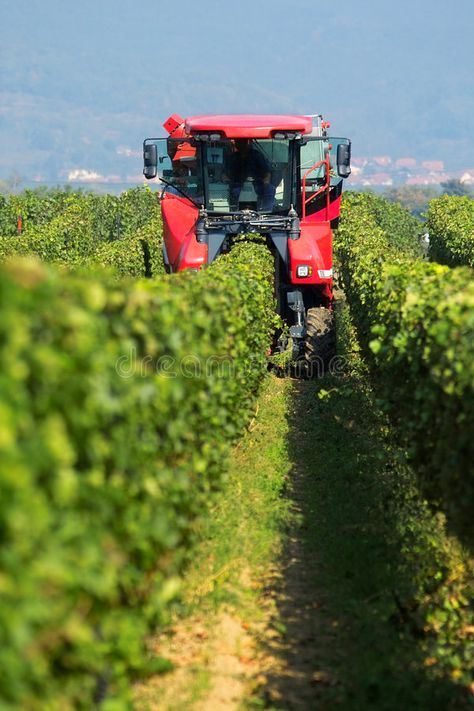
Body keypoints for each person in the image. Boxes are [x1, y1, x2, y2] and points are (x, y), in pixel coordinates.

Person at [222, 138, 276, 211]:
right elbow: (224, 174)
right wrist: (227, 182)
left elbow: (267, 173)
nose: (238, 143)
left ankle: (267, 213)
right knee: (231, 192)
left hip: (257, 184)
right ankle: (234, 212)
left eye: (241, 141)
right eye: (237, 141)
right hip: (237, 185)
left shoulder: (257, 156)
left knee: (270, 189)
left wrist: (266, 183)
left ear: (248, 142)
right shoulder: (232, 158)